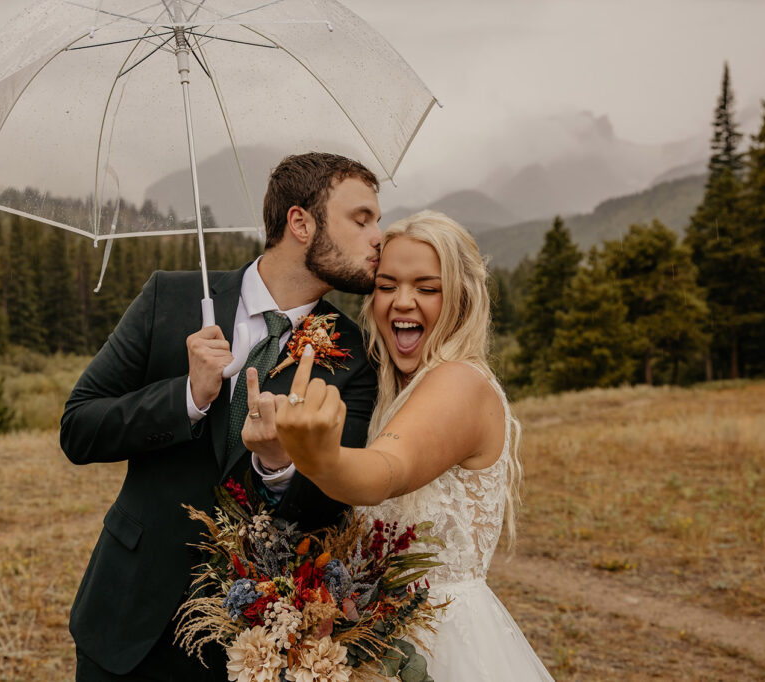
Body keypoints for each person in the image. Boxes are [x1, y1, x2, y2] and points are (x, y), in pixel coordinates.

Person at [60, 152, 381, 681]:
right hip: (125, 622)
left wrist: (278, 466)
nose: (377, 238)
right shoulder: (170, 297)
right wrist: (187, 394)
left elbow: (333, 504)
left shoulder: (354, 354)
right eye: (361, 219)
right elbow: (78, 427)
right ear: (301, 223)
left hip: (250, 645)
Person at [272, 210, 554, 680]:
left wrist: (320, 456)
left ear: (462, 299)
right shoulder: (395, 390)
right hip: (382, 633)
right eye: (387, 286)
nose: (402, 302)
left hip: (442, 641)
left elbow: (388, 470)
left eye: (427, 288)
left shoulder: (459, 382)